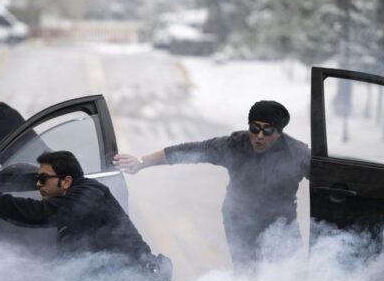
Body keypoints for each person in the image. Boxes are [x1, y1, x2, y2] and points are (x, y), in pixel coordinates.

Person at [0, 150, 170, 281]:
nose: (38, 185)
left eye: (43, 179)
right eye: (37, 179)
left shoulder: (88, 195)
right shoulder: (73, 192)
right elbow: (27, 182)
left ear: (66, 181)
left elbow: (40, 213)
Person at [114, 100, 310, 269]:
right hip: (240, 218)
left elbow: (327, 179)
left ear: (279, 132)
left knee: (292, 272)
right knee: (249, 273)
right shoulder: (234, 145)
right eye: (254, 128)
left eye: (267, 130)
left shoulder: (297, 153)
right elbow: (189, 150)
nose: (259, 136)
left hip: (281, 222)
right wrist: (141, 162)